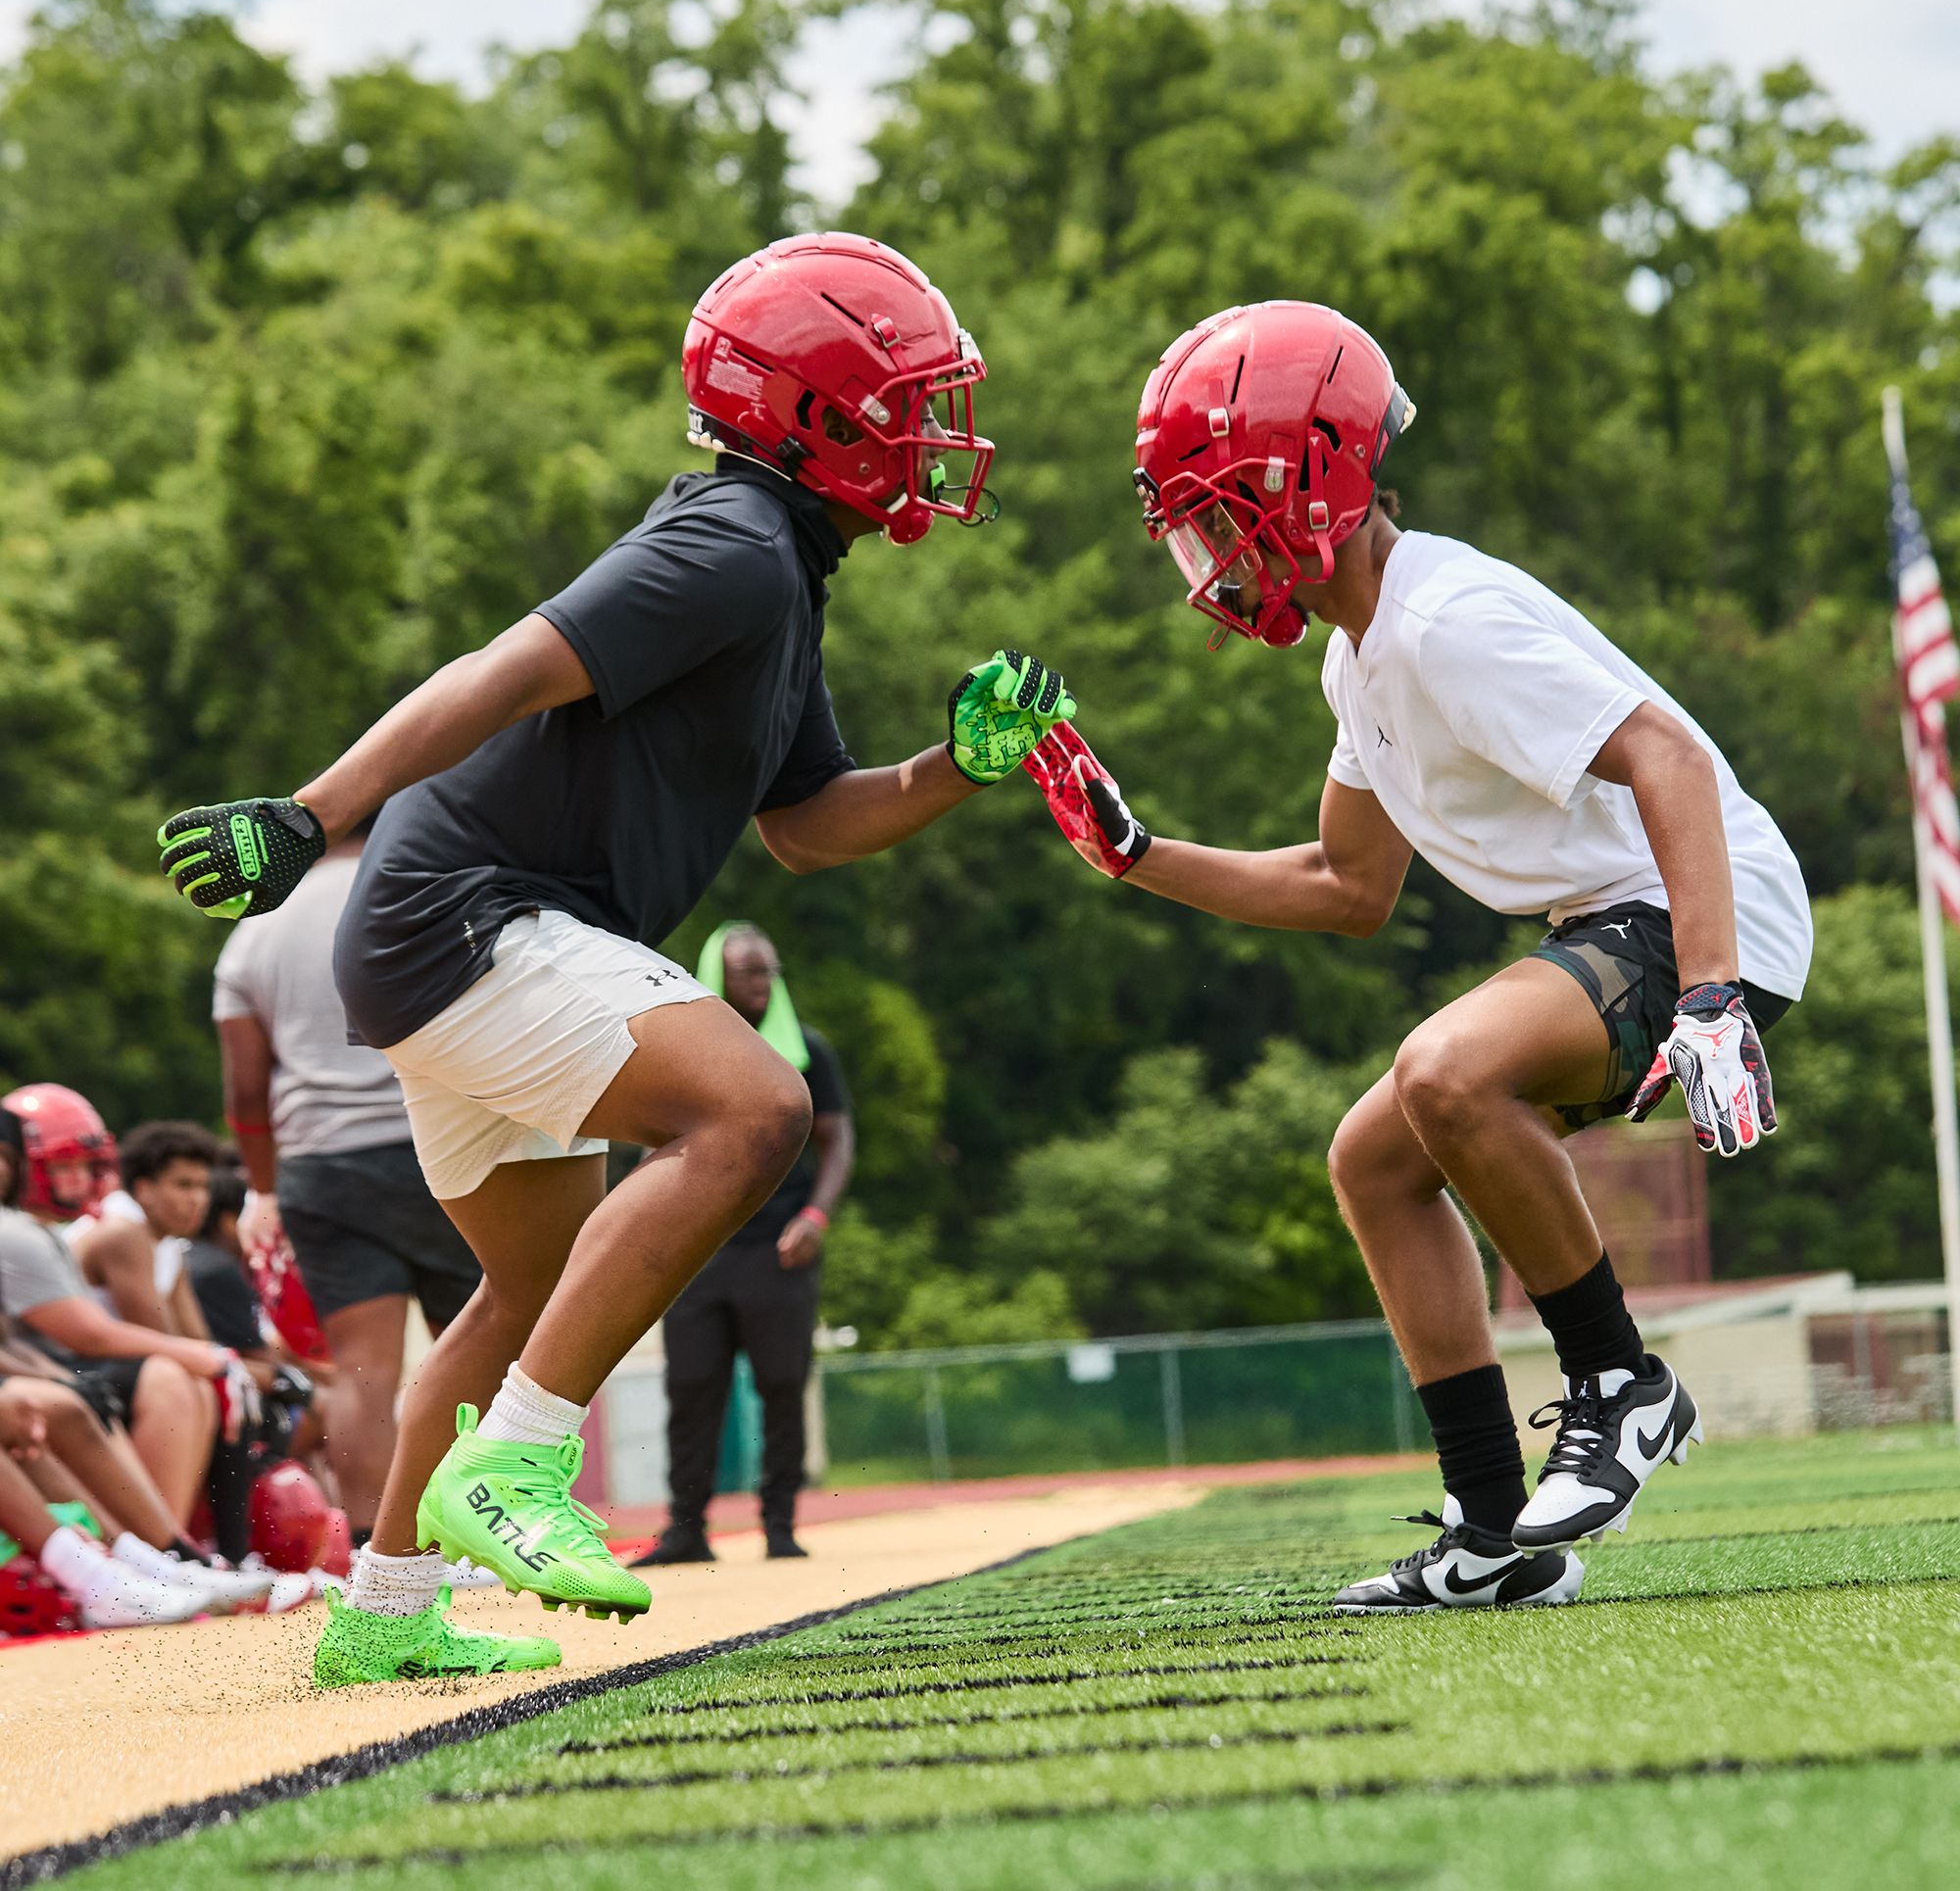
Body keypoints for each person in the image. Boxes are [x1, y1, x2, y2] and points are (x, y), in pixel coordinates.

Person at [156, 231, 1076, 1686]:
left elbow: (806, 830)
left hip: (465, 932)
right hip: (471, 914)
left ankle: (385, 1612)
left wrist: (955, 768)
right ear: (810, 414)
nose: (925, 438)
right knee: (756, 1108)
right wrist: (308, 811)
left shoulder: (781, 574)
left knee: (528, 1291)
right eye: (901, 405)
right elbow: (504, 670)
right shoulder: (731, 542)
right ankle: (520, 1469)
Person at [1032, 299, 1809, 1613]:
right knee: (1375, 1158)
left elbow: (1668, 755)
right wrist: (1138, 854)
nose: (1206, 556)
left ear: (1304, 485)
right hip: (1620, 920)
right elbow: (1346, 887)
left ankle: (1624, 1387)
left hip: (1696, 908)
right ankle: (1496, 1532)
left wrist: (1715, 987)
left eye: (1218, 514)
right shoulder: (1363, 657)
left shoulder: (1444, 621)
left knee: (1444, 1072)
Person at [212, 808, 481, 1552]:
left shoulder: (252, 935)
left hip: (321, 1169)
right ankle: (491, 1528)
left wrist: (261, 1189)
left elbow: (244, 1093)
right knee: (482, 1344)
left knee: (361, 1376)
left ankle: (380, 1551)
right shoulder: (423, 891)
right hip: (437, 1144)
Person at [0, 1107, 277, 1616]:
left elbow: (188, 1336)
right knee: (172, 1376)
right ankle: (151, 1562)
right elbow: (94, 1334)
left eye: (86, 1165)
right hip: (69, 1367)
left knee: (190, 1378)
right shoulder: (112, 1232)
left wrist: (224, 1361)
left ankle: (157, 1560)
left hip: (53, 1372)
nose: (79, 1180)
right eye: (62, 1166)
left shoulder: (160, 1241)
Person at [637, 923, 854, 1567]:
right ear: (718, 977)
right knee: (693, 1387)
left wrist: (817, 1216)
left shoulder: (807, 1051)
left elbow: (838, 1138)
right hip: (699, 1253)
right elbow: (650, 1140)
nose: (764, 983)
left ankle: (780, 1524)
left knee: (783, 1385)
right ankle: (686, 1531)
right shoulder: (681, 1052)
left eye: (770, 971)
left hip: (779, 1252)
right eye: (751, 972)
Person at [69, 1120, 221, 1337]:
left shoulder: (168, 1242)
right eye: (184, 1185)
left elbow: (196, 1339)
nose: (199, 1199)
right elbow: (162, 1340)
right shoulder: (121, 1231)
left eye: (204, 1186)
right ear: (144, 1189)